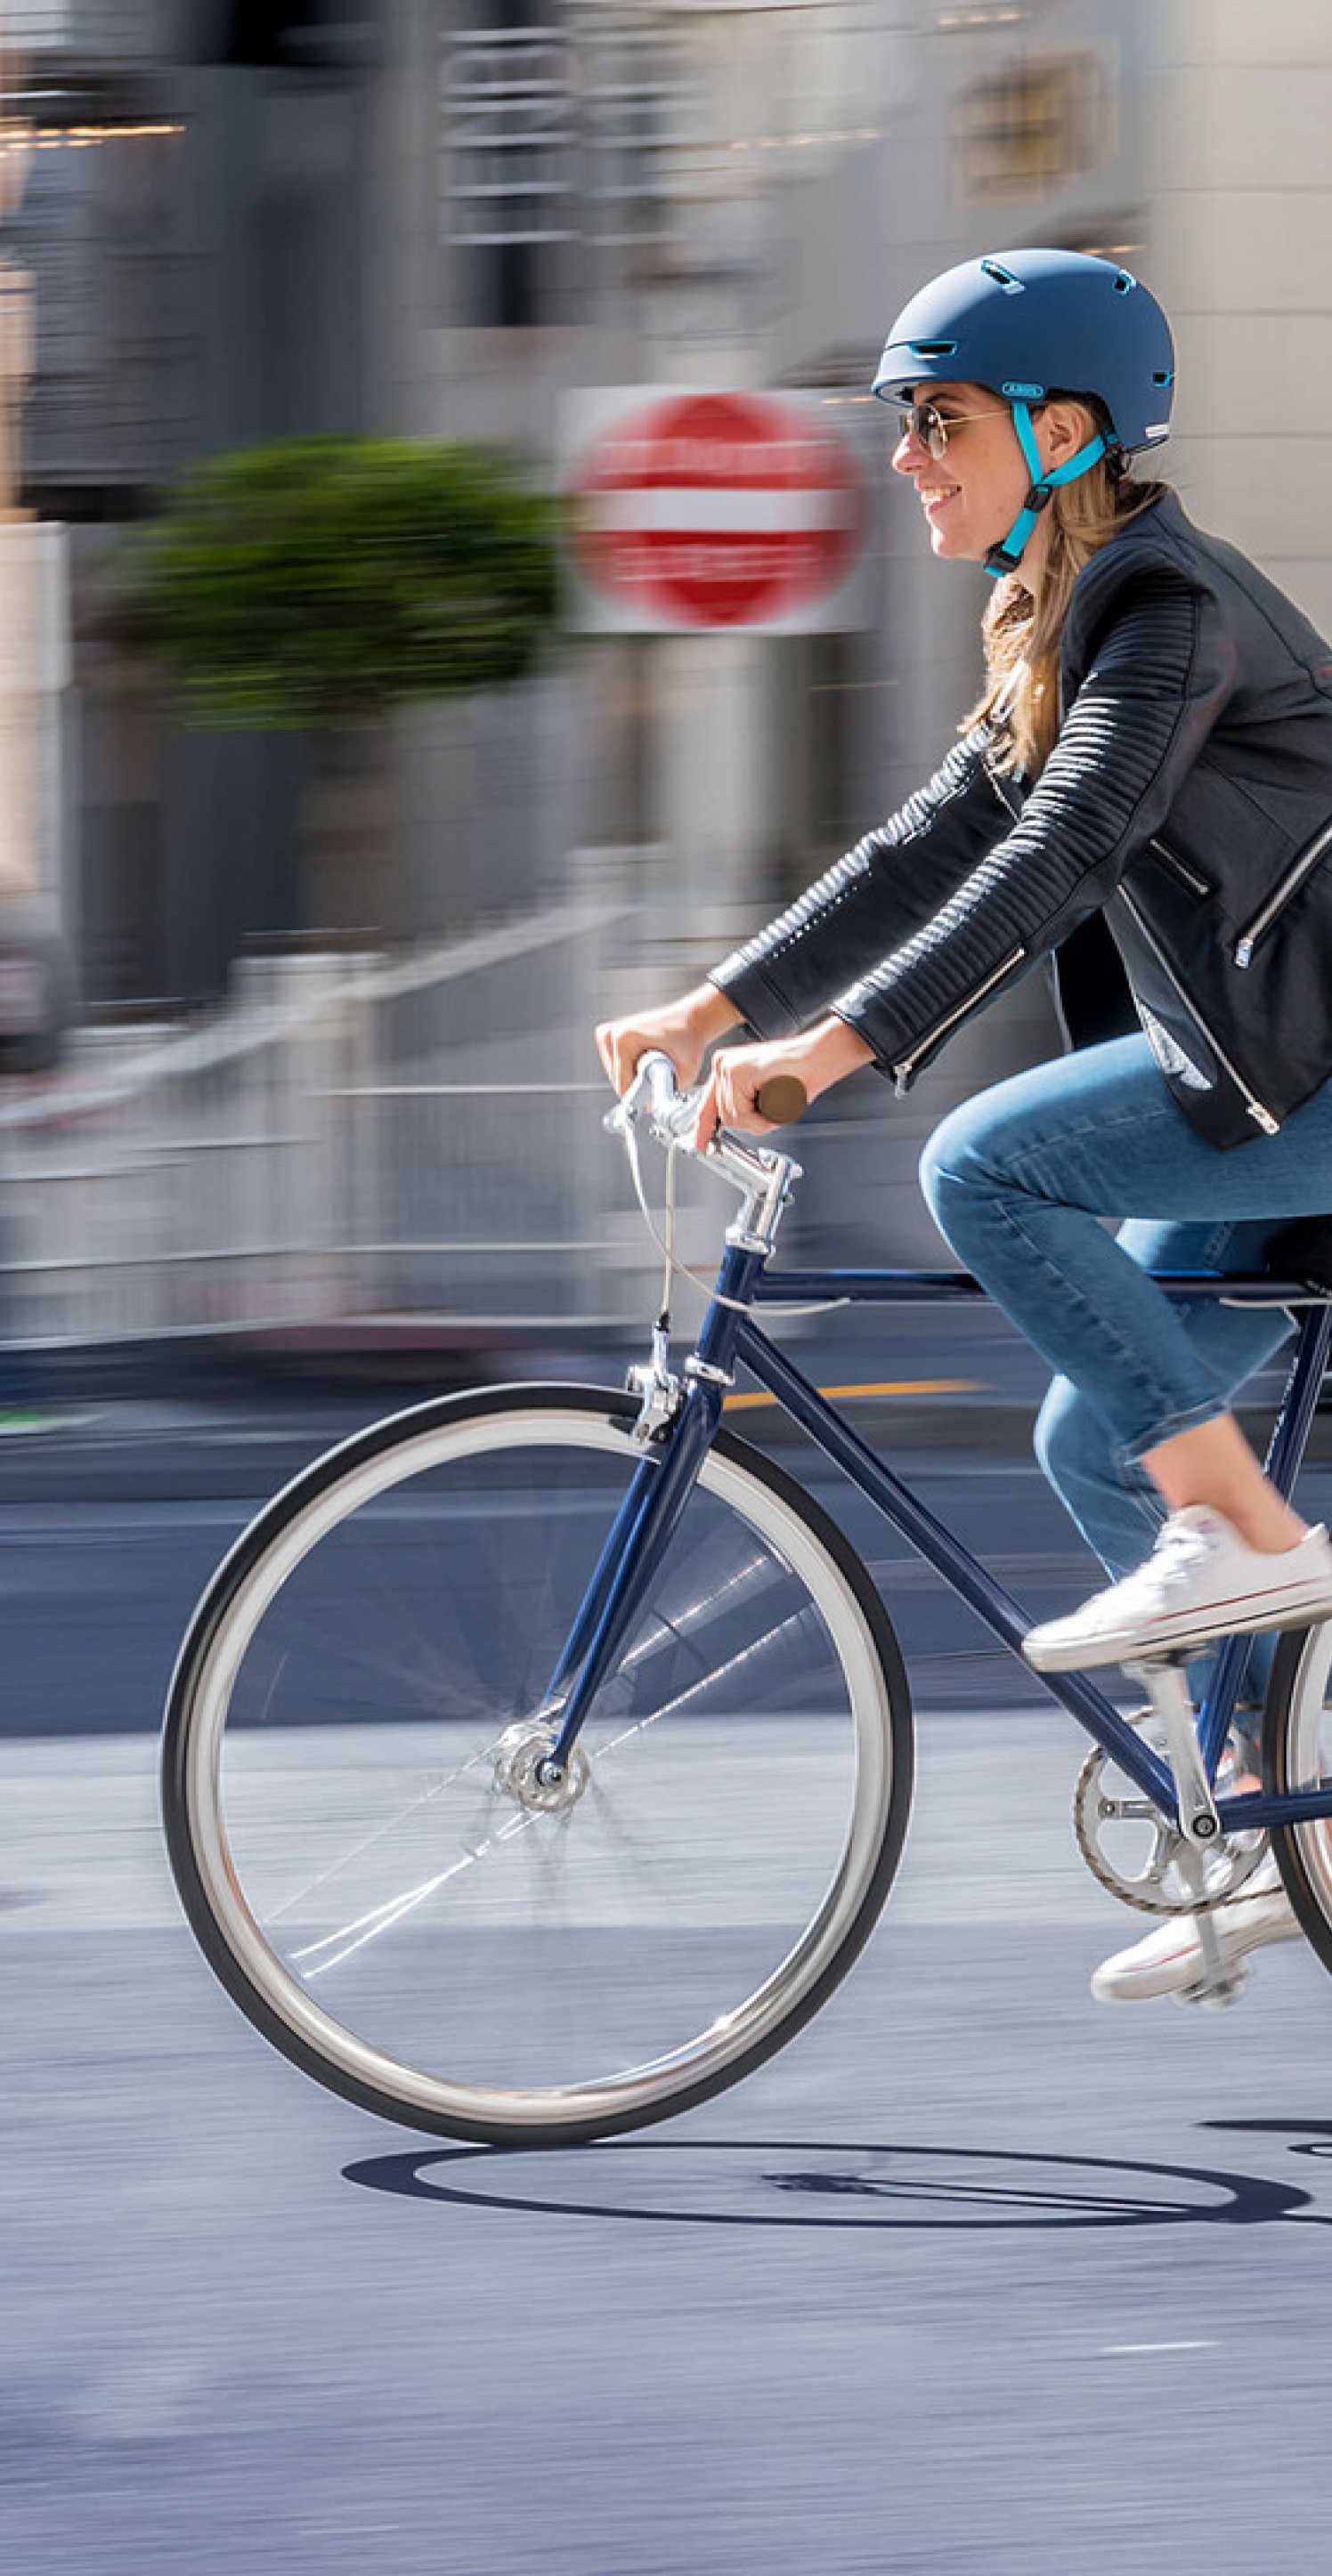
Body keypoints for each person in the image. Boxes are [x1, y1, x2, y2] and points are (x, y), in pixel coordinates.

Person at [597, 244, 1332, 2008]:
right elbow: (924, 849)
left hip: (1305, 1080)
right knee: (1096, 1440)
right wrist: (714, 1010)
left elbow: (1058, 851)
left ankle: (1248, 1532)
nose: (906, 453)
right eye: (901, 423)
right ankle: (1258, 1822)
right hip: (1258, 1077)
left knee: (985, 1162)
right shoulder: (1053, 624)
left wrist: (829, 1058)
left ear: (1060, 431)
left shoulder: (1168, 617)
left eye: (937, 420)